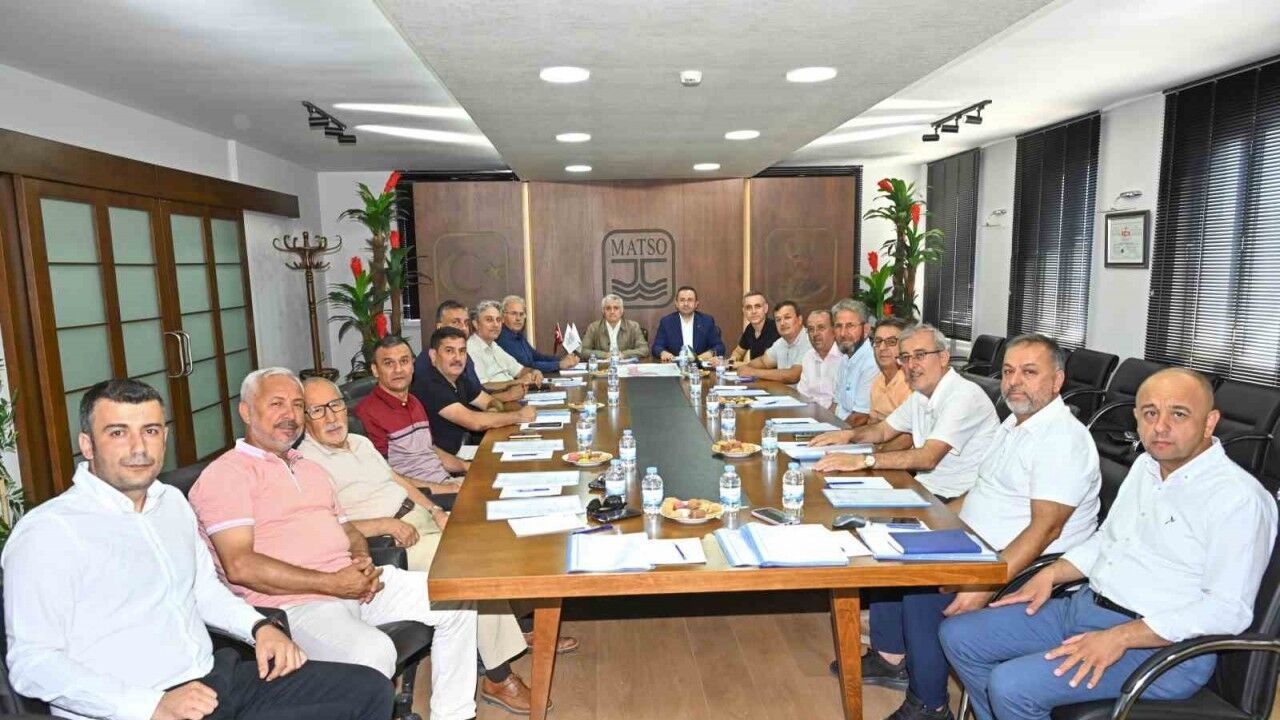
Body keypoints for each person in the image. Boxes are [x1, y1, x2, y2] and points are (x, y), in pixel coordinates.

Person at [3, 378, 392, 720]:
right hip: (139, 706)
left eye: (150, 431)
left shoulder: (170, 503)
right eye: (118, 433)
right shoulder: (50, 532)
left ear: (165, 438)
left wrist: (258, 628)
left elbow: (204, 591)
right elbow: (32, 663)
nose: (139, 447)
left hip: (214, 681)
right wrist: (150, 705)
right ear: (87, 444)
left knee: (368, 690)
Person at [940, 367, 1278, 720]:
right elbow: (1109, 539)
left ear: (1209, 422)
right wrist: (1052, 574)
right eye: (1150, 413)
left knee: (1011, 685)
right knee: (960, 636)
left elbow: (1227, 610)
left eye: (1178, 414)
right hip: (1087, 608)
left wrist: (1121, 637)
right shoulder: (1146, 466)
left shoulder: (1238, 499)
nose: (1160, 426)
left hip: (1159, 648)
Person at [188, 368, 480, 720]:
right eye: (277, 404)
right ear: (246, 412)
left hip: (353, 585)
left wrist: (360, 562)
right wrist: (332, 583)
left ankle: (453, 714)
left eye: (297, 405)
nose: (290, 414)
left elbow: (349, 530)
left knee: (456, 595)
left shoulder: (309, 468)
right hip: (293, 607)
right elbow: (239, 565)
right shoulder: (226, 475)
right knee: (374, 652)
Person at [851, 334, 1102, 720]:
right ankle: (899, 665)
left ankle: (930, 704)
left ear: (1057, 381)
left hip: (1020, 566)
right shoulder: (1014, 424)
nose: (1014, 382)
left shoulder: (1061, 440)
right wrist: (929, 521)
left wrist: (984, 582)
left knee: (921, 588)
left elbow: (1046, 530)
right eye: (1009, 372)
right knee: (891, 547)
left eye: (1029, 372)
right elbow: (980, 492)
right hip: (975, 543)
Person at [300, 378, 572, 715]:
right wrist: (383, 525)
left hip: (416, 516)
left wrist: (433, 509)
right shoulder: (305, 464)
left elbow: (396, 480)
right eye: (317, 410)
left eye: (336, 405)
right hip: (388, 542)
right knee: (471, 569)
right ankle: (499, 677)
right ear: (304, 418)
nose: (331, 417)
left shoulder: (358, 442)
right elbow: (325, 527)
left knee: (497, 538)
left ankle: (512, 629)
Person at [812, 323, 1000, 503]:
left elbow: (928, 457)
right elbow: (883, 431)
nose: (911, 365)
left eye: (920, 355)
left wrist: (864, 460)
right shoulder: (920, 394)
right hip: (923, 488)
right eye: (905, 357)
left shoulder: (963, 396)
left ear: (943, 357)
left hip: (955, 499)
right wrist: (847, 435)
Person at [353, 335, 466, 500]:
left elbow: (430, 450)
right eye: (389, 363)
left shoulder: (414, 401)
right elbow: (384, 475)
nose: (398, 369)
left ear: (413, 365)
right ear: (375, 370)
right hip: (419, 497)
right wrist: (444, 489)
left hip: (445, 483)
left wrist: (467, 466)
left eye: (404, 361)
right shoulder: (367, 413)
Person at [420, 326, 537, 455]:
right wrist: (519, 416)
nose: (457, 358)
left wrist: (491, 413)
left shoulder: (461, 379)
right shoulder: (430, 385)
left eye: (462, 351)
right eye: (449, 351)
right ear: (433, 355)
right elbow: (475, 422)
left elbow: (491, 401)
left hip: (467, 448)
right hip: (446, 458)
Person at [416, 299, 525, 410]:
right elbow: (463, 412)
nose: (463, 328)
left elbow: (477, 395)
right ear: (440, 327)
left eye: (466, 323)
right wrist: (509, 402)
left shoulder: (465, 357)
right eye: (456, 322)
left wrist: (501, 405)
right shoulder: (428, 362)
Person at [468, 299, 543, 386]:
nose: (496, 325)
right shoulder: (471, 348)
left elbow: (520, 370)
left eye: (498, 320)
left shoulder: (494, 346)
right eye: (489, 320)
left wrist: (534, 372)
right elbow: (482, 386)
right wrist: (517, 382)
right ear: (476, 324)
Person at [496, 295, 579, 373]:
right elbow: (526, 366)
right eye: (514, 314)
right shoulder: (502, 338)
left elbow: (537, 356)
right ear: (502, 317)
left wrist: (562, 359)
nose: (518, 318)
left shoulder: (518, 335)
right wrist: (559, 364)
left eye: (521, 314)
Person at [831, 298, 878, 425]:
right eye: (838, 326)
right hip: (841, 428)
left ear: (866, 330)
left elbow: (860, 418)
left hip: (855, 431)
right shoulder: (845, 358)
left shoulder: (872, 362)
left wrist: (831, 432)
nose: (843, 333)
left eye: (850, 326)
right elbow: (835, 405)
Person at [740, 300, 810, 384]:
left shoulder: (809, 340)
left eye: (787, 318)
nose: (782, 323)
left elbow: (793, 376)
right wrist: (745, 367)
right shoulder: (780, 342)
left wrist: (753, 372)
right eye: (778, 320)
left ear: (799, 319)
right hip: (784, 391)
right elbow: (763, 362)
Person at [651, 285, 726, 361]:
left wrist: (710, 353)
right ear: (676, 303)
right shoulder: (666, 322)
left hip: (700, 365)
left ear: (696, 303)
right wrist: (663, 353)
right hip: (675, 364)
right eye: (682, 300)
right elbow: (657, 347)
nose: (686, 303)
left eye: (690, 300)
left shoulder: (707, 321)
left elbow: (719, 347)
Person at [794, 308, 844, 408]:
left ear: (834, 330)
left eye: (821, 328)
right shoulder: (808, 357)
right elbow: (802, 395)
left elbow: (842, 404)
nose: (815, 334)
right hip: (809, 414)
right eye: (811, 329)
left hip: (834, 415)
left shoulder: (843, 358)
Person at [580, 293, 652, 360]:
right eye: (608, 308)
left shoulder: (633, 327)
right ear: (603, 311)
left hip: (626, 366)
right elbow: (583, 350)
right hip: (602, 367)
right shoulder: (593, 327)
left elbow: (644, 349)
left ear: (622, 311)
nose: (612, 311)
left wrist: (624, 355)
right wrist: (605, 355)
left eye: (616, 308)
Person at [869, 317, 912, 423]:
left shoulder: (911, 385)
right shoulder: (878, 381)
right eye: (878, 341)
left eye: (891, 342)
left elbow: (907, 433)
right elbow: (872, 422)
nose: (882, 347)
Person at [728, 291, 779, 365]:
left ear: (765, 308)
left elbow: (766, 363)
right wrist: (733, 359)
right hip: (755, 372)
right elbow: (738, 352)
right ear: (744, 311)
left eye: (757, 306)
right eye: (748, 308)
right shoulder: (750, 329)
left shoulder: (775, 328)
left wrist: (740, 365)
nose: (753, 311)